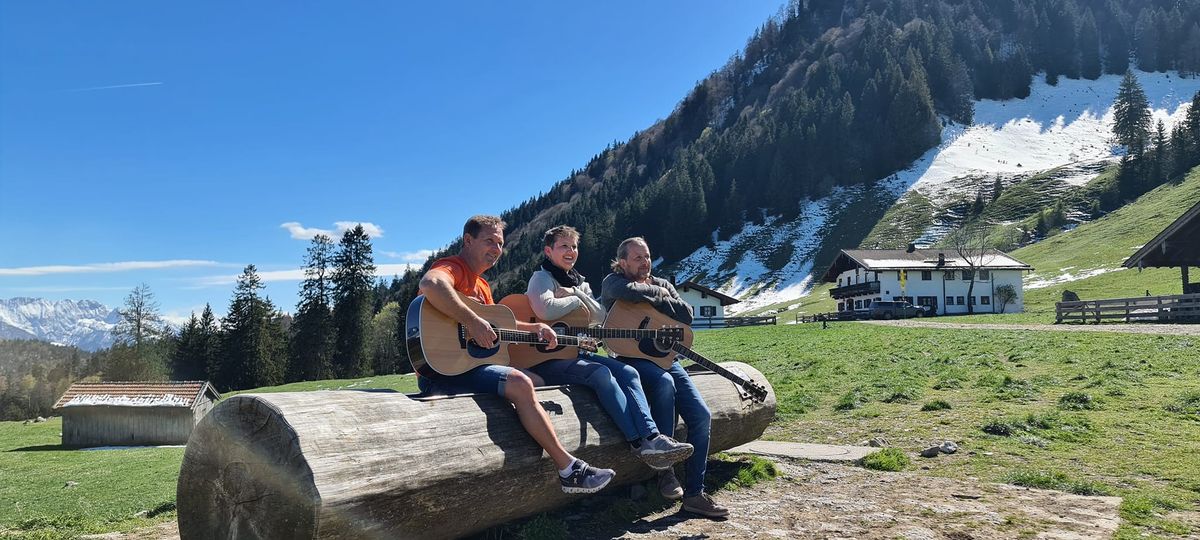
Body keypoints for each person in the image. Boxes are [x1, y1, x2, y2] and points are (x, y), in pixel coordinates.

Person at [417, 215, 615, 494]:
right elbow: (431, 285)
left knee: (537, 380)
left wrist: (535, 328)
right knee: (520, 382)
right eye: (489, 241)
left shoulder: (482, 285)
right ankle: (568, 469)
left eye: (499, 243)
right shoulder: (452, 268)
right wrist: (472, 321)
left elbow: (497, 325)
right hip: (443, 372)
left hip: (468, 367)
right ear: (468, 240)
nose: (496, 249)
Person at [525, 225, 693, 471]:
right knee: (601, 374)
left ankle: (652, 437)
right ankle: (637, 441)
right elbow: (545, 309)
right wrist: (577, 300)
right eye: (564, 246)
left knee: (629, 373)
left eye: (574, 246)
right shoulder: (541, 278)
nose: (570, 251)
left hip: (575, 351)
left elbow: (599, 314)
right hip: (547, 356)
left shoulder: (579, 283)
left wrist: (573, 294)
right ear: (548, 251)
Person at [600, 236, 729, 518]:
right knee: (663, 384)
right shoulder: (612, 282)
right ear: (622, 262)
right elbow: (624, 291)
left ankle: (695, 494)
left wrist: (654, 294)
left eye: (647, 256)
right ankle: (665, 471)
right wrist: (660, 298)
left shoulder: (661, 283)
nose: (645, 262)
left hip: (665, 357)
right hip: (629, 357)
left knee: (701, 416)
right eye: (637, 258)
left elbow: (686, 313)